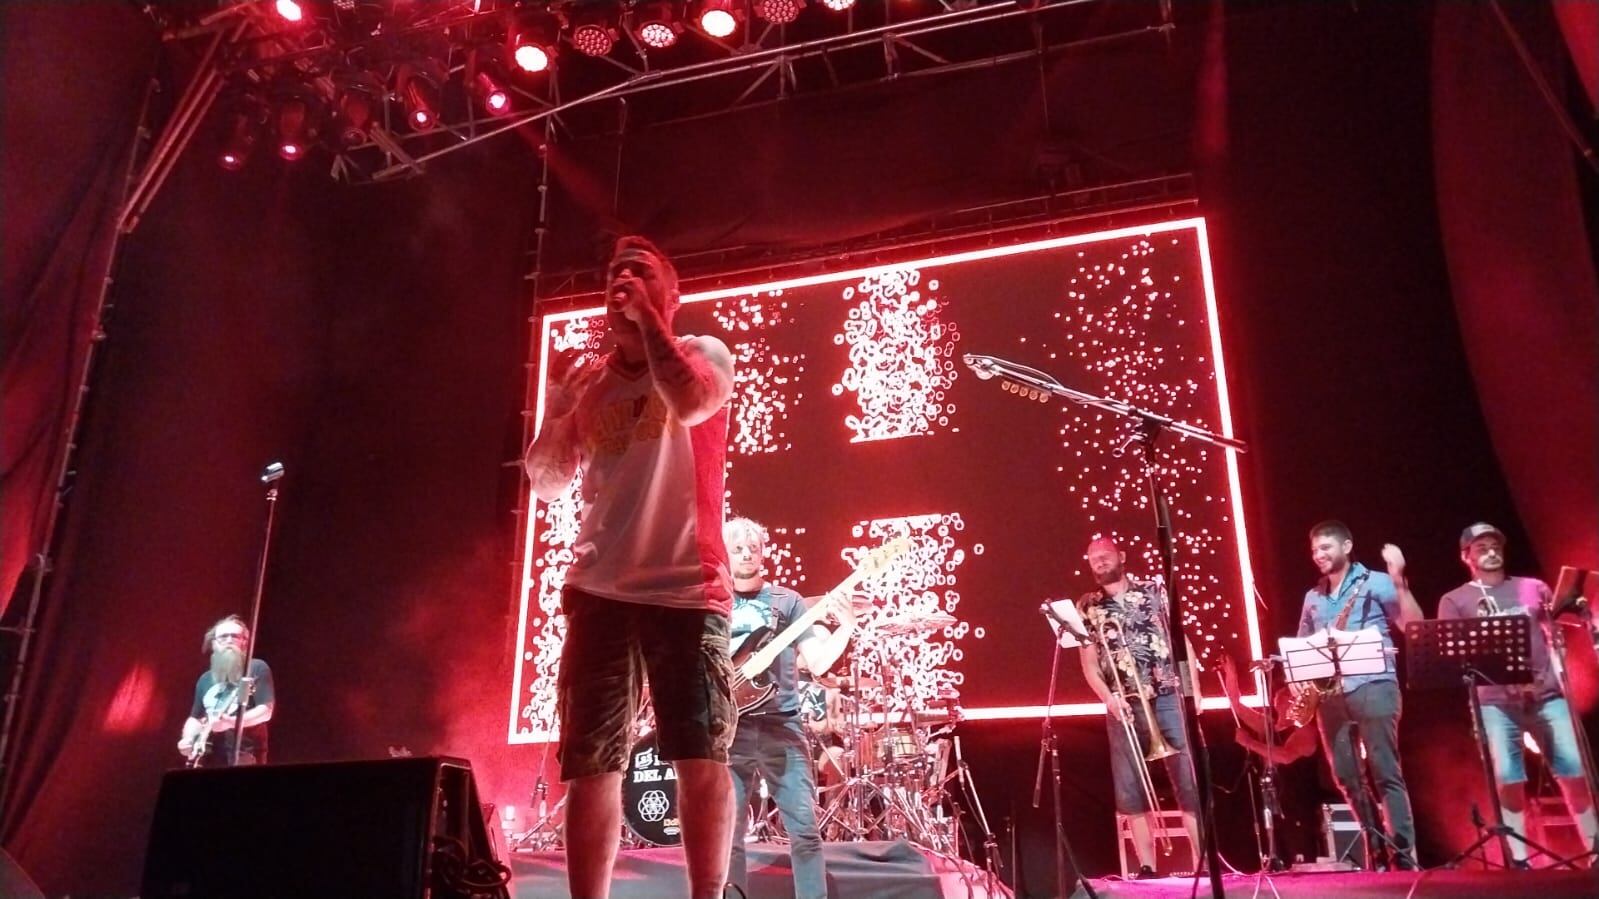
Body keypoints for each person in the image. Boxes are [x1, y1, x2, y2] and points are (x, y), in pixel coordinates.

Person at [523, 236, 737, 899]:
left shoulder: (702, 353)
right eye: (614, 272)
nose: (622, 279)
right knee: (592, 762)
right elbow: (547, 481)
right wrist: (558, 405)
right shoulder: (590, 381)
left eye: (641, 273)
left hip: (684, 585)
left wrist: (648, 321)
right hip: (598, 588)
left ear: (670, 296)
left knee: (699, 751)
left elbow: (694, 404)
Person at [1437, 522, 1599, 868]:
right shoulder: (1455, 600)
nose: (1492, 551)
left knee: (1573, 772)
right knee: (1509, 777)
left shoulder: (1532, 587)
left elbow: (1556, 625)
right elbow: (1449, 654)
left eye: (1496, 545)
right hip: (1496, 703)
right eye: (1482, 547)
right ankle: (1519, 859)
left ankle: (1594, 850)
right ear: (1466, 556)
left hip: (1547, 696)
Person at [723, 516, 856, 899]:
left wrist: (845, 627)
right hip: (730, 730)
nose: (747, 554)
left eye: (753, 547)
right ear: (725, 554)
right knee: (728, 837)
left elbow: (817, 662)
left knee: (805, 830)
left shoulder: (789, 601)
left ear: (764, 552)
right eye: (737, 548)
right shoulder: (714, 600)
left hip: (783, 726)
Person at [1294, 520, 1423, 869]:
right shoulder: (1313, 597)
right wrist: (1296, 678)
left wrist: (1399, 582)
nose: (1319, 555)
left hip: (1374, 685)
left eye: (1326, 548)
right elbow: (1303, 646)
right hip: (1330, 697)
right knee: (1347, 778)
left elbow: (1413, 626)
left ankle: (1403, 855)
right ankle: (1376, 849)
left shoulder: (1378, 582)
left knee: (1385, 771)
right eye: (1315, 550)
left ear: (1347, 546)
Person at [1072, 537, 1201, 878]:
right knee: (1130, 788)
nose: (1099, 562)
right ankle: (1147, 867)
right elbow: (1089, 666)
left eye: (1105, 556)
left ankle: (1203, 863)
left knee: (1188, 781)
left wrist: (1193, 692)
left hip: (1168, 694)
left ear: (1122, 557)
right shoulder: (1088, 606)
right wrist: (1109, 700)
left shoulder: (1154, 591)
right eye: (1092, 559)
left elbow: (1180, 640)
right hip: (1123, 705)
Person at [1218, 654, 1323, 867]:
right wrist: (1231, 675)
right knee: (1275, 844)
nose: (1282, 698)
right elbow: (1237, 706)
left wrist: (1249, 743)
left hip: (1296, 803)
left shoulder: (1305, 731)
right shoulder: (1270, 726)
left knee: (1298, 849)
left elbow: (1285, 756)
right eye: (1280, 695)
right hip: (1271, 797)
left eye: (1288, 695)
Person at [176, 615, 274, 767]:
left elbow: (265, 711)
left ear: (245, 643)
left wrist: (230, 722)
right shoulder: (205, 679)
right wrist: (188, 739)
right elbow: (196, 718)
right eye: (223, 637)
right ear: (214, 644)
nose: (229, 640)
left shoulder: (256, 668)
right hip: (208, 758)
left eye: (235, 636)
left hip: (245, 755)